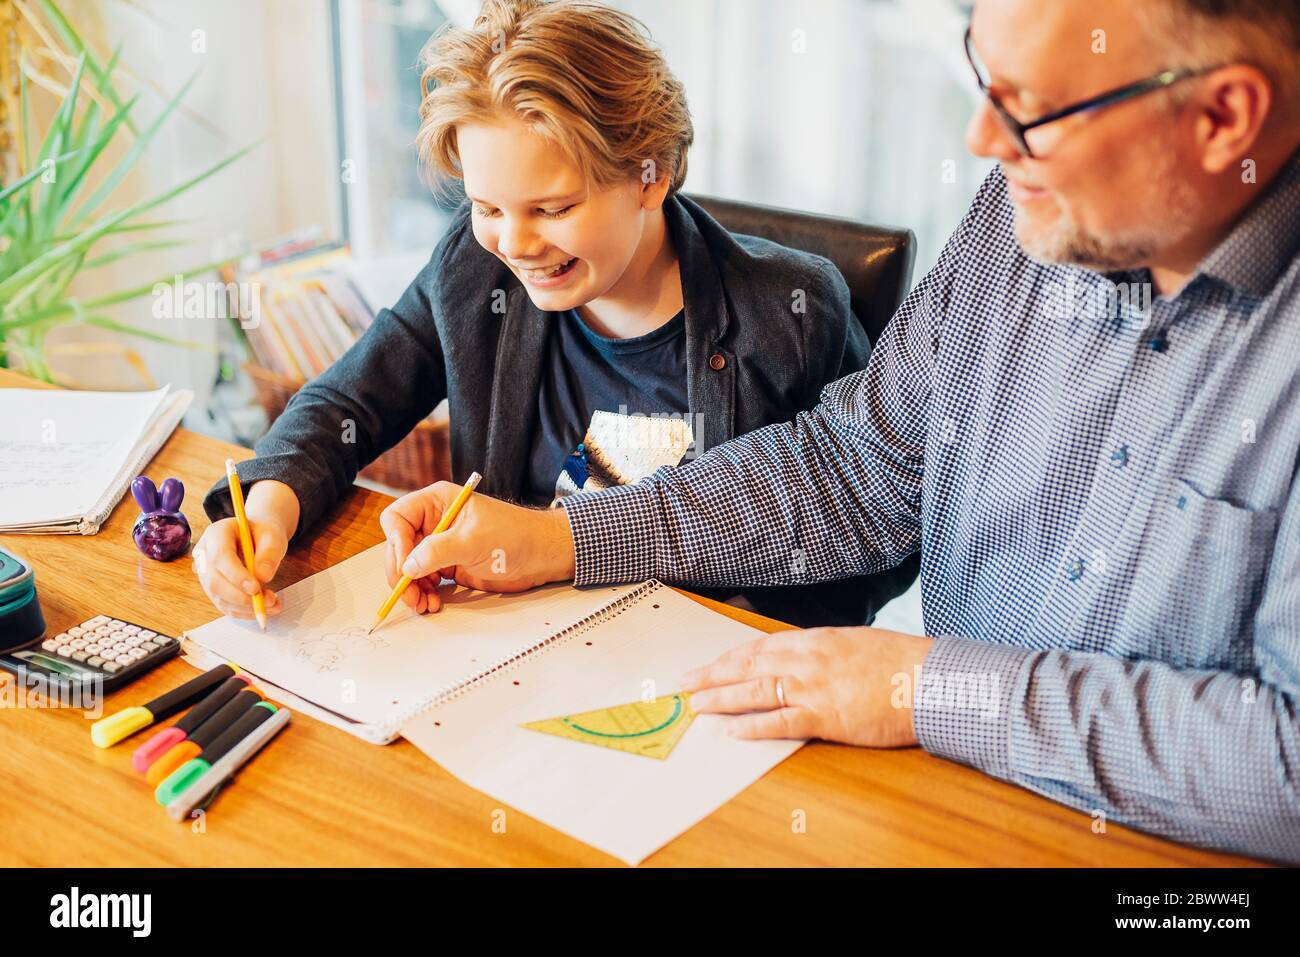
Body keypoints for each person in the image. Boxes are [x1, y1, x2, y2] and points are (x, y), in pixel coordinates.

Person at [375, 0, 1300, 862]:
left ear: (1224, 118)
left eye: (1031, 111)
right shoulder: (1021, 216)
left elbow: (1287, 763)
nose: (982, 139)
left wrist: (925, 688)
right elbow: (860, 465)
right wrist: (565, 537)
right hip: (922, 800)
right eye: (983, 78)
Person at [194, 0, 914, 630]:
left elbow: (872, 530)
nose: (515, 243)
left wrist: (734, 632)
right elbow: (351, 397)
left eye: (553, 208)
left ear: (649, 174)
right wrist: (268, 506)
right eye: (487, 207)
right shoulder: (477, 271)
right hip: (506, 649)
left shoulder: (790, 315)